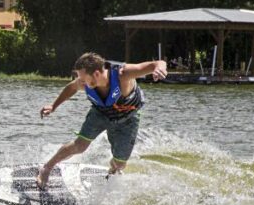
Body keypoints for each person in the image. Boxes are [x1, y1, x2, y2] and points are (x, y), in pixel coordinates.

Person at [37, 51, 168, 186]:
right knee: (80, 145)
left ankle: (113, 170)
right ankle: (47, 168)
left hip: (127, 119)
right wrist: (53, 106)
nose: (81, 82)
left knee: (120, 163)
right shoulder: (84, 82)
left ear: (97, 74)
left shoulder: (122, 74)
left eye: (83, 78)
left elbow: (156, 64)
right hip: (101, 113)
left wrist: (160, 68)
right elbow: (71, 88)